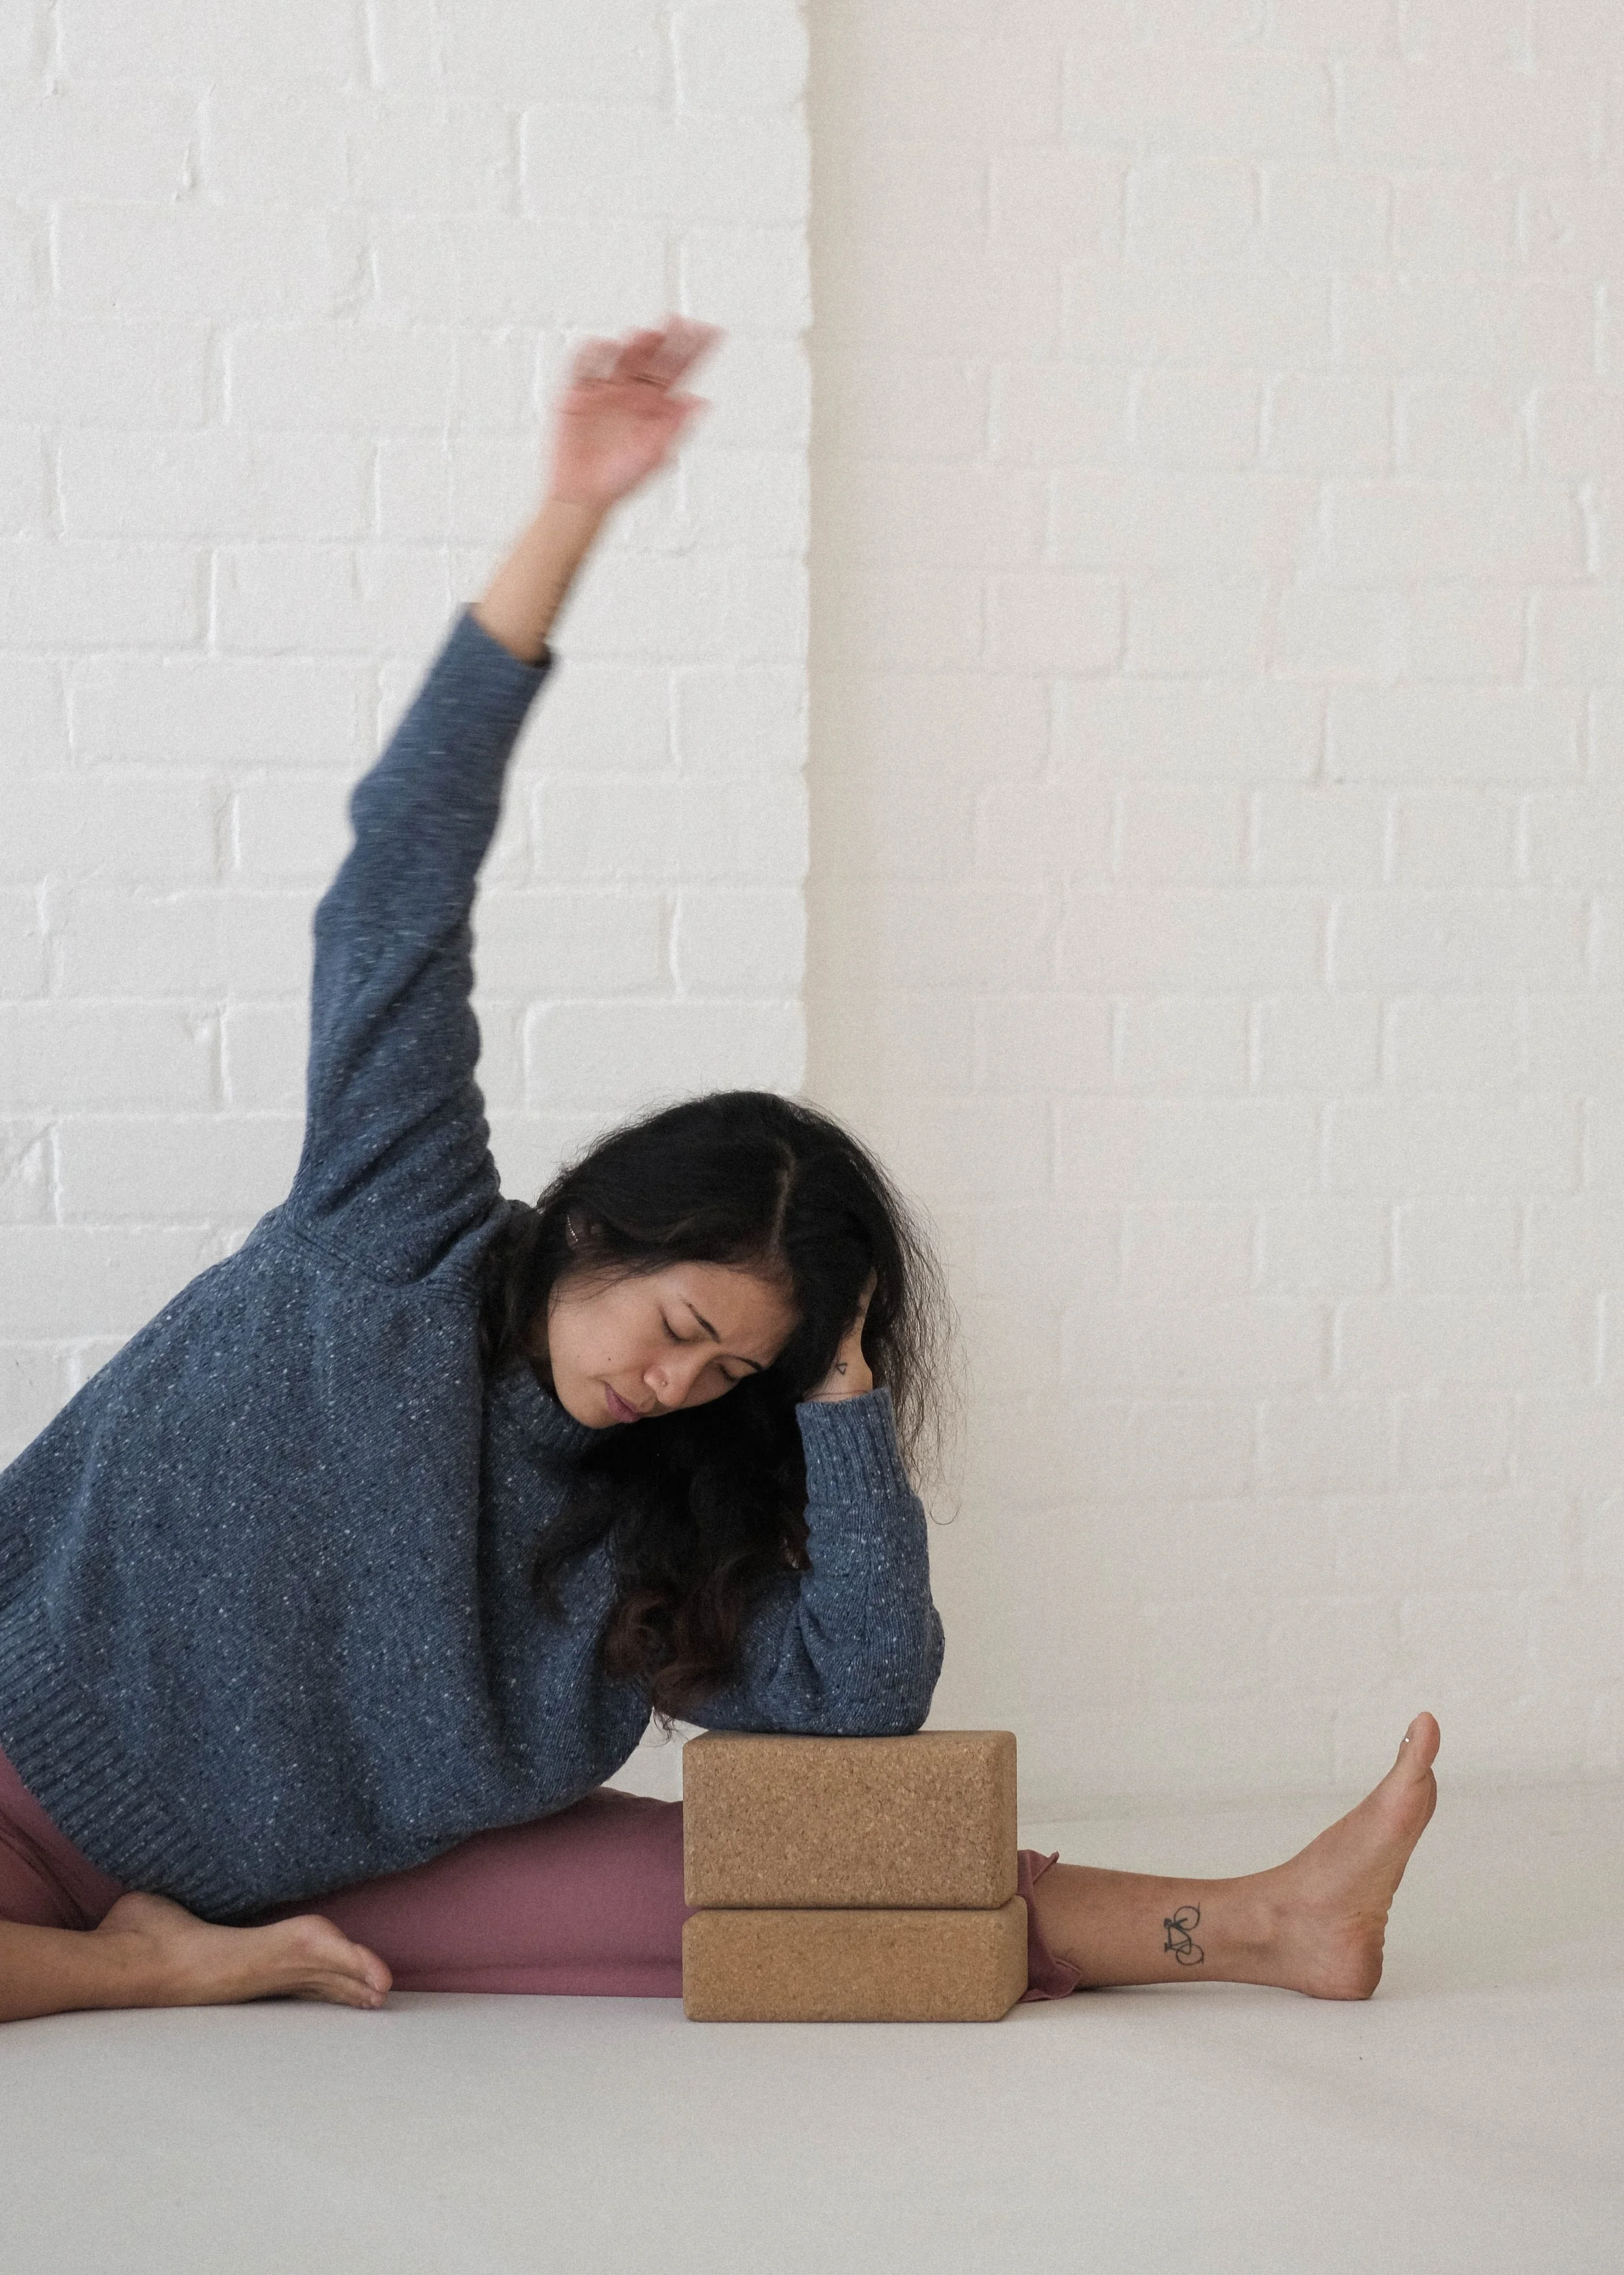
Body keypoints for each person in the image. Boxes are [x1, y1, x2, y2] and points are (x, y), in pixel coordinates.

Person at [0, 318, 1440, 2027]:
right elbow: (399, 875)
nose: (674, 1378)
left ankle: (1261, 1926)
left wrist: (830, 1408)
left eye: (727, 1366)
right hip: (20, 1770)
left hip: (320, 1863)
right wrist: (572, 514)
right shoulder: (387, 1237)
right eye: (678, 1320)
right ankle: (139, 1975)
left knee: (796, 1871)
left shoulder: (658, 1501)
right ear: (596, 1230)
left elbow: (855, 1713)